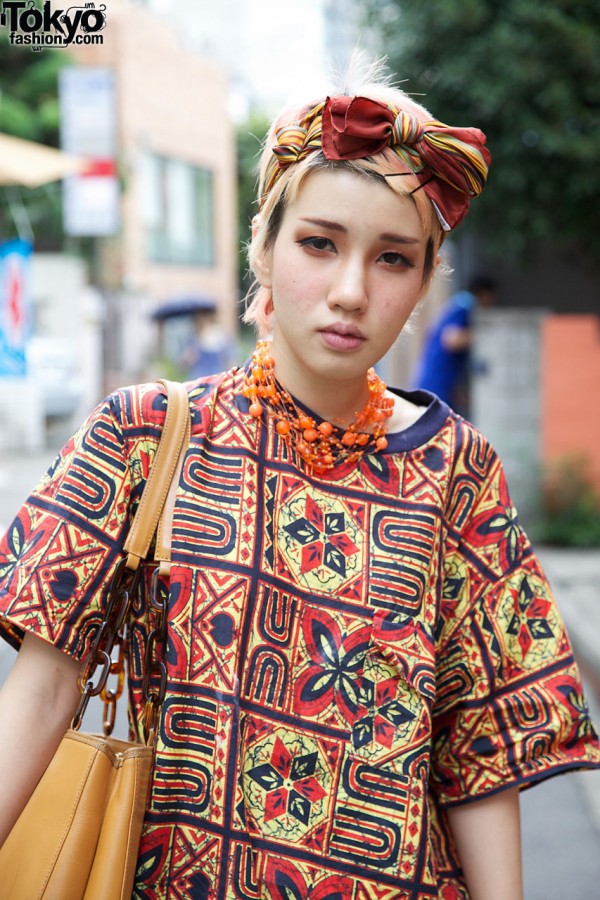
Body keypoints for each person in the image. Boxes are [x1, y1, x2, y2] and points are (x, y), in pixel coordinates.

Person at [1, 60, 599, 899]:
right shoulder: (146, 435)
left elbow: (479, 758)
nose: (351, 292)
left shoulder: (457, 470)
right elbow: (44, 685)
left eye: (393, 259)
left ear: (426, 281)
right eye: (319, 243)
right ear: (263, 247)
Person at [411, 275, 496, 415]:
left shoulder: (458, 304)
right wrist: (484, 337)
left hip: (438, 382)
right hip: (438, 382)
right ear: (484, 293)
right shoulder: (465, 305)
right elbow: (451, 339)